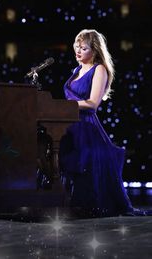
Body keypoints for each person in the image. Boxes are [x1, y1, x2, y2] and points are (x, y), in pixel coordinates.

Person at [59, 29, 145, 218]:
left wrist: (65, 105)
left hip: (86, 126)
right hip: (68, 125)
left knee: (86, 164)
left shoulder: (99, 69)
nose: (78, 51)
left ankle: (86, 205)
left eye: (83, 48)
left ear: (95, 50)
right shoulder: (76, 70)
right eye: (77, 47)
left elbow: (92, 103)